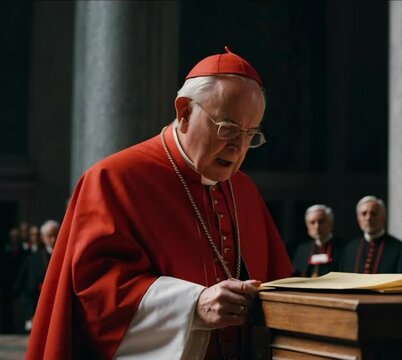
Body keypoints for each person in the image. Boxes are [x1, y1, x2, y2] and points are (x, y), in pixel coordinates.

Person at [26, 46, 293, 359]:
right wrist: (194, 305)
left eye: (250, 134)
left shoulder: (243, 190)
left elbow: (280, 285)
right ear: (184, 113)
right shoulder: (114, 178)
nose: (238, 147)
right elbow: (97, 294)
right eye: (227, 128)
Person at [340, 196, 402, 274]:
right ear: (358, 219)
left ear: (383, 218)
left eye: (373, 213)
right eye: (364, 214)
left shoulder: (400, 250)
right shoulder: (350, 249)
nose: (368, 218)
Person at [14, 220, 59, 332]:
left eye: (56, 235)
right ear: (43, 238)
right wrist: (31, 313)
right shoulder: (33, 259)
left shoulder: (67, 257)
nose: (53, 239)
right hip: (39, 310)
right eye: (49, 236)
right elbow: (26, 288)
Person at [291, 204, 346, 277]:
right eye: (312, 222)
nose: (317, 227)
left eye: (321, 221)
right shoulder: (302, 249)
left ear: (330, 223)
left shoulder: (344, 247)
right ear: (307, 226)